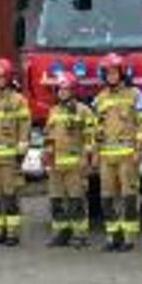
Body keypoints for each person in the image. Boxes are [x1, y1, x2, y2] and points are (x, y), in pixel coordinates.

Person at [93, 53, 142, 253]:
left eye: (115, 73)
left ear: (122, 74)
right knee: (107, 196)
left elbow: (141, 124)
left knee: (128, 195)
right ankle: (112, 234)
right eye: (107, 73)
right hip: (107, 155)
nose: (111, 76)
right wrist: (95, 152)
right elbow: (97, 128)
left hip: (127, 154)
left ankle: (129, 236)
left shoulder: (134, 95)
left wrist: (138, 150)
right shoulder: (100, 98)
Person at [0, 59, 33, 246]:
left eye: (0, 77)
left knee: (10, 196)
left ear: (8, 78)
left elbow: (25, 128)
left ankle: (12, 233)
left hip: (10, 159)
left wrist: (21, 152)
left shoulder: (18, 100)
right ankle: (0, 230)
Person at [42, 72, 98, 249]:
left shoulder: (84, 111)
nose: (62, 92)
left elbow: (91, 137)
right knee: (57, 200)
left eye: (65, 89)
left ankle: (80, 235)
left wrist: (89, 159)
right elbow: (49, 137)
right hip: (56, 165)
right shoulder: (53, 111)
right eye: (59, 89)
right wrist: (47, 159)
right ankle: (61, 233)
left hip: (75, 164)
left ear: (73, 90)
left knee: (76, 200)